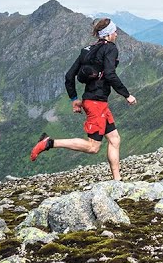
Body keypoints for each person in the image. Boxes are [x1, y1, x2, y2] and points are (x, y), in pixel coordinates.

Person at [30, 18, 138, 180]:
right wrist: (127, 95)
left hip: (92, 101)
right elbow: (109, 74)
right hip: (97, 104)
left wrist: (74, 99)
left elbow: (69, 76)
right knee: (93, 147)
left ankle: (118, 181)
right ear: (108, 34)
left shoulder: (87, 50)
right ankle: (49, 142)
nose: (116, 34)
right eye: (114, 31)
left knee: (114, 139)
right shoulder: (110, 49)